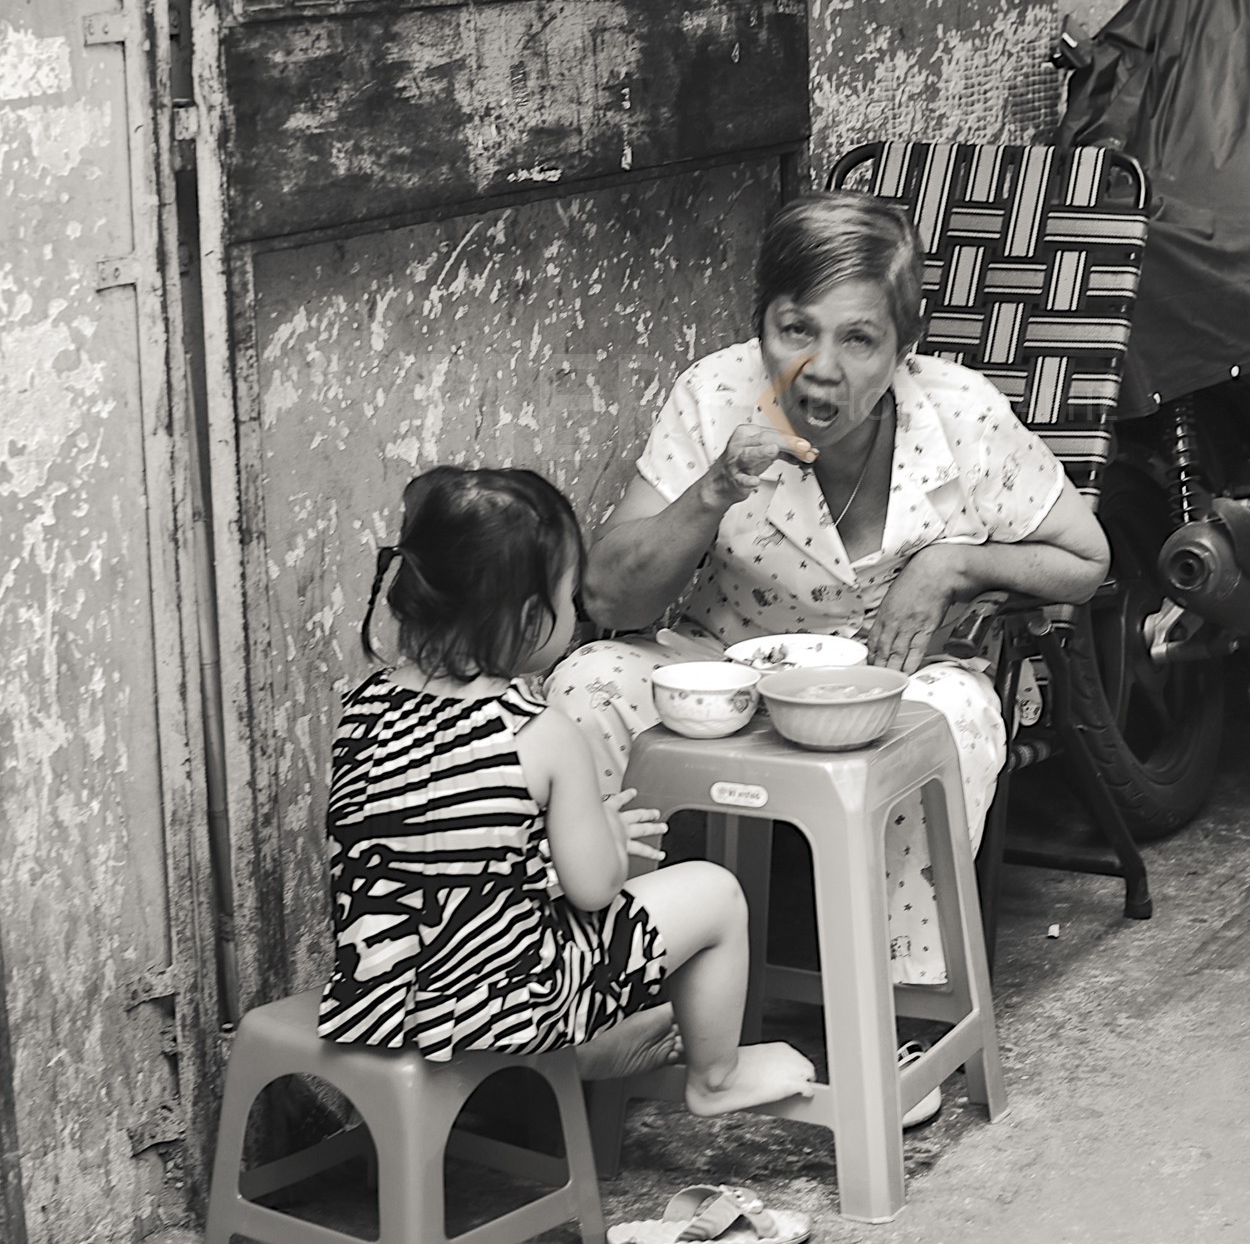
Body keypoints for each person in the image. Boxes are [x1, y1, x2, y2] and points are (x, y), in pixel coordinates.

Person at [546, 196, 1109, 990]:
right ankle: (617, 987)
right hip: (729, 671)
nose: (820, 367)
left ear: (903, 346)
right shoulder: (715, 395)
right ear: (759, 325)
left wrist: (953, 565)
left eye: (858, 338)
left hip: (902, 676)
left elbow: (1084, 560)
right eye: (795, 328)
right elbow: (607, 600)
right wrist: (710, 492)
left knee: (947, 719)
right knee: (588, 682)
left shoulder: (958, 412)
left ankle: (900, 1004)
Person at [317, 465, 815, 1119]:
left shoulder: (362, 709)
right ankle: (716, 1076)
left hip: (378, 997)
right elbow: (594, 891)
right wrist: (604, 836)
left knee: (508, 920)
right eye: (566, 597)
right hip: (510, 1005)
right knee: (716, 896)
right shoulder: (538, 730)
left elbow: (378, 854)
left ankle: (591, 1049)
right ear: (531, 619)